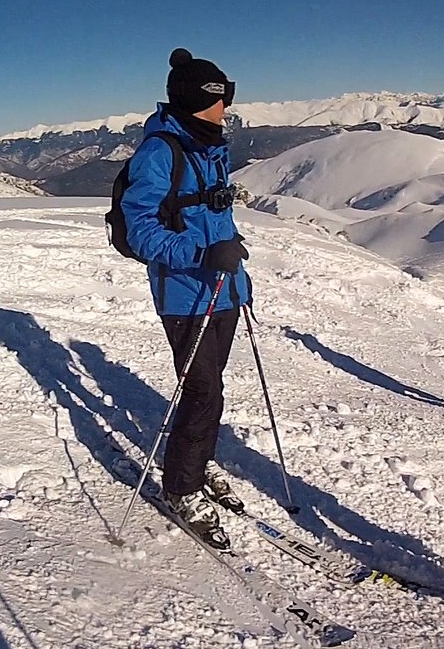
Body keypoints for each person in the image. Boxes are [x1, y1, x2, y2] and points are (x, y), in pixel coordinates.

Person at [120, 48, 251, 547]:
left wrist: (229, 248)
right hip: (185, 295)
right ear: (202, 101)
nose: (228, 109)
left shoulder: (210, 145)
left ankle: (198, 462)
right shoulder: (161, 152)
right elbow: (140, 232)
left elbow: (211, 216)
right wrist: (202, 252)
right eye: (224, 99)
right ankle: (181, 488)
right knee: (202, 392)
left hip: (222, 290)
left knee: (210, 389)